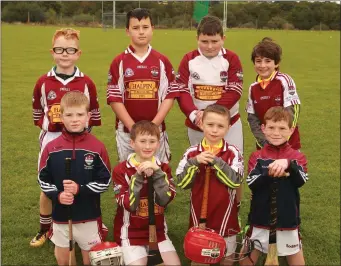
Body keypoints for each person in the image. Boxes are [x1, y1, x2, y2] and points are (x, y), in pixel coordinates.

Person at [31, 28, 102, 247]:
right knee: (49, 186)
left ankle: (85, 225)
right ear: (52, 52)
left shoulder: (86, 83)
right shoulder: (43, 82)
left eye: (70, 50)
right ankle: (45, 229)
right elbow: (37, 113)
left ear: (78, 53)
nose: (64, 54)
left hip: (80, 141)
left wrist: (82, 136)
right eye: (60, 49)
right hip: (52, 139)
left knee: (79, 183)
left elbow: (94, 115)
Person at [37, 91, 111, 265]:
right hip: (61, 216)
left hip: (89, 215)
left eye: (80, 114)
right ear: (61, 117)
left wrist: (81, 189)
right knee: (64, 261)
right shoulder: (51, 147)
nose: (75, 119)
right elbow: (43, 179)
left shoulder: (97, 147)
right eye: (69, 115)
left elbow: (105, 181)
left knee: (90, 261)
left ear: (88, 117)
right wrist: (58, 195)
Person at [107, 8, 178, 164]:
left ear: (152, 29)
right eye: (135, 28)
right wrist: (133, 128)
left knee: (159, 175)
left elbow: (169, 96)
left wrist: (153, 126)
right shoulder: (119, 62)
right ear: (127, 31)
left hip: (156, 132)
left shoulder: (162, 61)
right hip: (127, 133)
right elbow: (114, 99)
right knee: (129, 176)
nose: (141, 32)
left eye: (145, 27)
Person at [176, 104, 243, 266]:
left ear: (228, 128)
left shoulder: (233, 152)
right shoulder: (191, 153)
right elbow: (182, 182)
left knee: (227, 257)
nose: (214, 130)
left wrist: (217, 162)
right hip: (199, 216)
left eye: (220, 126)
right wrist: (194, 162)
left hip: (226, 217)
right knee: (200, 257)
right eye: (210, 125)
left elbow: (235, 181)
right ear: (201, 125)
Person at [240, 106, 308, 266]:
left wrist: (289, 164)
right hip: (260, 218)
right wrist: (267, 174)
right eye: (271, 127)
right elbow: (252, 183)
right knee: (245, 261)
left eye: (282, 128)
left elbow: (301, 180)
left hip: (287, 219)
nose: (276, 133)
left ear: (291, 130)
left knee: (296, 259)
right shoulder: (257, 157)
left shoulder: (297, 157)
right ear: (263, 128)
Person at [112, 120, 180, 266]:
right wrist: (137, 177)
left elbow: (165, 200)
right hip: (131, 233)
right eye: (142, 141)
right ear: (132, 143)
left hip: (158, 232)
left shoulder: (164, 168)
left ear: (158, 143)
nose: (147, 146)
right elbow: (129, 205)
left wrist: (157, 174)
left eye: (152, 141)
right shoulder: (120, 170)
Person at [177, 15, 244, 154]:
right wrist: (194, 115)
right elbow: (181, 91)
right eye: (204, 41)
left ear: (223, 39)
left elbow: (234, 91)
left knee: (231, 166)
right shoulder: (188, 59)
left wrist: (208, 114)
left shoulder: (231, 58)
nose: (209, 46)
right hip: (198, 124)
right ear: (197, 39)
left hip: (229, 123)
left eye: (215, 41)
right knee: (201, 167)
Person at [246, 37, 301, 150]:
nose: (262, 65)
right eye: (258, 61)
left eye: (268, 61)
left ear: (276, 63)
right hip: (264, 146)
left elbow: (293, 111)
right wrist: (263, 141)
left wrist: (282, 138)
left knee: (288, 168)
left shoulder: (284, 80)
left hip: (288, 144)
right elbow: (252, 118)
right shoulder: (253, 88)